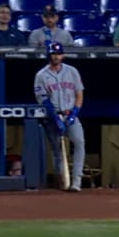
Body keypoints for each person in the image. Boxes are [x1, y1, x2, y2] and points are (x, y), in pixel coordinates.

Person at [33, 41, 86, 191]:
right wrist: (56, 119)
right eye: (53, 54)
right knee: (57, 150)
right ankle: (63, 182)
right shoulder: (41, 75)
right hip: (52, 116)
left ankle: (76, 181)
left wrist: (74, 113)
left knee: (79, 142)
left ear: (63, 55)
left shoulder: (72, 71)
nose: (56, 57)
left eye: (58, 54)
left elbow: (79, 94)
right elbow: (44, 100)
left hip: (70, 113)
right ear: (49, 55)